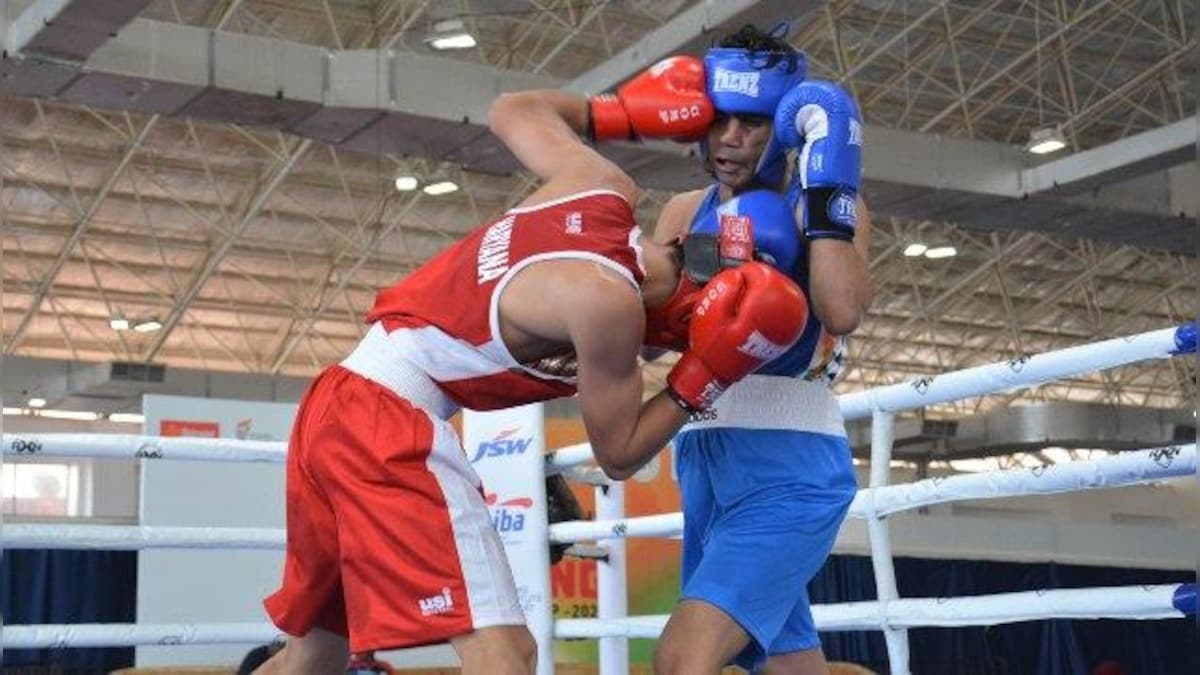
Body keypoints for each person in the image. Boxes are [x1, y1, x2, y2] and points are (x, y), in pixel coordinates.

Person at [255, 56, 813, 675]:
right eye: (688, 338)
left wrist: (621, 112)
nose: (661, 351)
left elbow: (513, 108)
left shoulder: (599, 185)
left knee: (316, 652)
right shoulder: (609, 304)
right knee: (506, 654)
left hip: (333, 399)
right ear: (694, 312)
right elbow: (620, 454)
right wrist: (706, 373)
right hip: (387, 421)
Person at [642, 25, 874, 675]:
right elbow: (644, 345)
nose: (730, 139)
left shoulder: (820, 202)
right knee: (789, 668)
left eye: (751, 123)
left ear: (789, 124)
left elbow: (844, 309)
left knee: (684, 659)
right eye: (719, 121)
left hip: (791, 463)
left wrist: (827, 196)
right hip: (706, 452)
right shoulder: (684, 212)